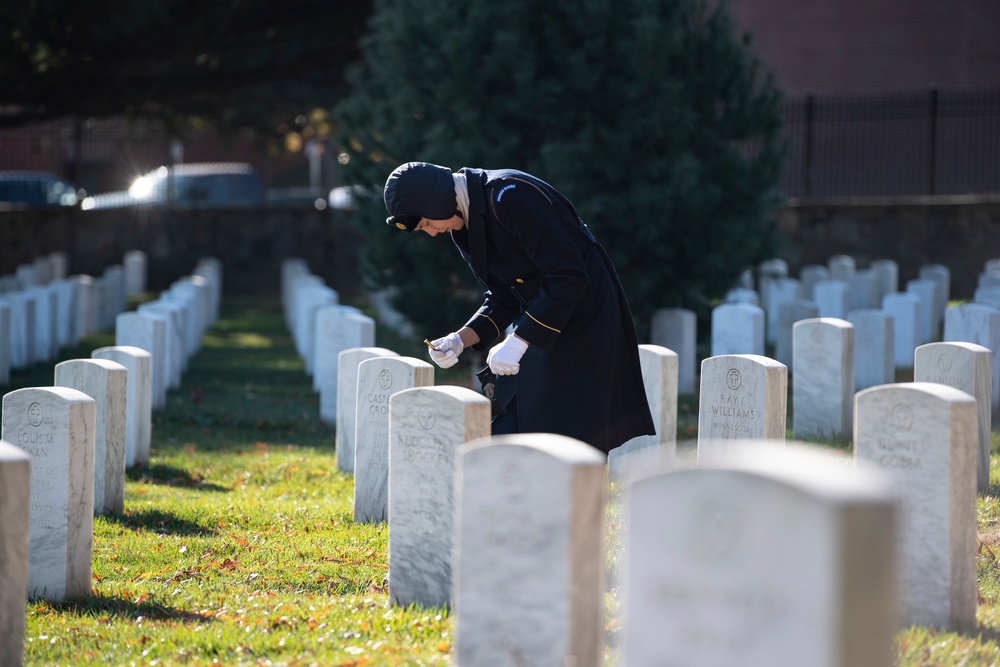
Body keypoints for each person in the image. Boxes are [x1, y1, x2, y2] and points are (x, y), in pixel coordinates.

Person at [383, 161, 655, 454]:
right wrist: (460, 339)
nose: (432, 233)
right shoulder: (463, 225)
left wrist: (518, 340)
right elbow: (505, 295)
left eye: (426, 223)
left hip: (584, 314)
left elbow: (570, 276)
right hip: (540, 315)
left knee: (567, 432)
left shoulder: (508, 195)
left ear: (436, 201)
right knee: (511, 423)